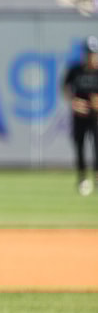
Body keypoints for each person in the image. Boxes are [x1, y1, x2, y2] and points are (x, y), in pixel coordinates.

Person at [62, 35, 98, 196]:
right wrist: (73, 101)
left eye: (94, 53)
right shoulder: (75, 70)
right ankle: (82, 178)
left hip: (96, 117)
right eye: (89, 53)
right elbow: (65, 87)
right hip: (79, 116)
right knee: (80, 146)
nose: (92, 57)